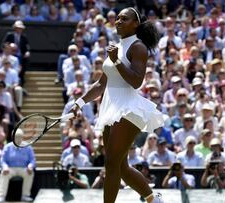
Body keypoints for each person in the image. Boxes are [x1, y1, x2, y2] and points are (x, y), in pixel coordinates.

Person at [68, 7, 165, 203]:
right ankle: (153, 199)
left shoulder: (138, 47)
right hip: (110, 107)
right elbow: (102, 83)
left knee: (111, 164)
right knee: (121, 167)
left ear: (135, 24)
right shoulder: (117, 47)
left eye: (124, 19)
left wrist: (117, 62)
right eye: (118, 18)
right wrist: (79, 102)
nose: (118, 21)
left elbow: (137, 81)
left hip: (128, 108)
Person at [0, 129, 35, 203]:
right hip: (10, 169)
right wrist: (5, 167)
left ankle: (25, 196)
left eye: (20, 136)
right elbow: (2, 160)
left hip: (24, 169)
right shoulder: (7, 146)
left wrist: (30, 166)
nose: (18, 138)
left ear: (22, 137)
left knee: (30, 173)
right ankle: (1, 196)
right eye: (16, 136)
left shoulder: (28, 147)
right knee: (4, 174)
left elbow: (32, 159)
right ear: (12, 137)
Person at [1, 20, 30, 85]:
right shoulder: (9, 35)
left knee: (24, 60)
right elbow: (4, 44)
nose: (19, 30)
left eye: (20, 28)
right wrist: (10, 47)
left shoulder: (24, 37)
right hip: (10, 54)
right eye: (18, 28)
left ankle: (21, 77)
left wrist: (27, 52)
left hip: (20, 55)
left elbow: (27, 46)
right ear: (15, 28)